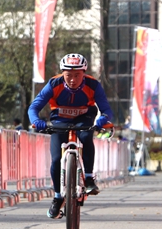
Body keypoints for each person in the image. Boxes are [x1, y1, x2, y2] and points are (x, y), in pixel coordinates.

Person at [28, 53, 114, 219]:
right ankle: (58, 196)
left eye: (77, 75)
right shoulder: (54, 83)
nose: (73, 80)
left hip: (85, 118)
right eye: (68, 76)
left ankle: (88, 178)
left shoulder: (93, 85)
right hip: (59, 119)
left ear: (84, 73)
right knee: (55, 159)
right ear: (62, 74)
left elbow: (107, 110)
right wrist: (37, 121)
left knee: (86, 137)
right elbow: (33, 108)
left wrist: (103, 119)